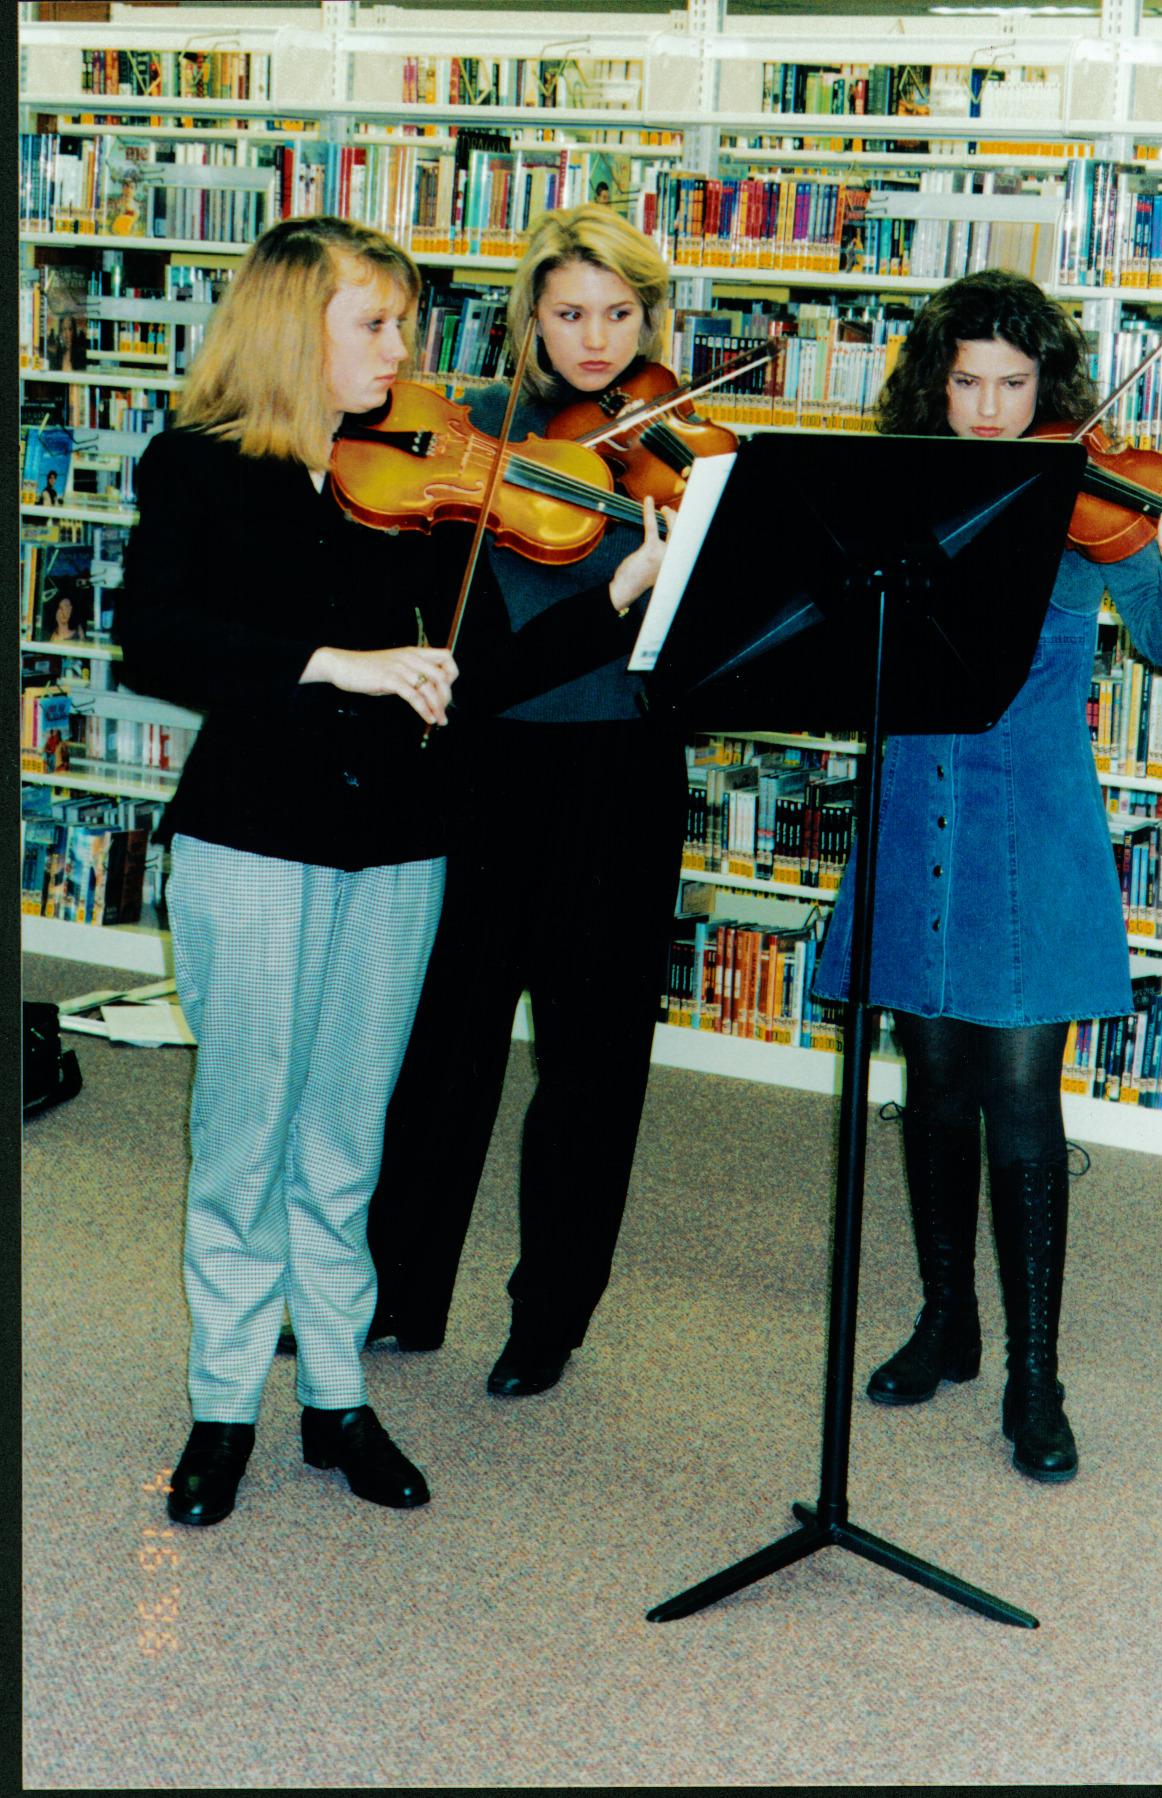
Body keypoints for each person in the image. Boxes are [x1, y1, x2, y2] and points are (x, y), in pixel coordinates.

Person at [118, 213, 667, 1530]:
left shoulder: (408, 485)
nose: (405, 350)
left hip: (401, 846)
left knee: (348, 1134)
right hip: (252, 840)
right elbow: (155, 640)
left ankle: (338, 1398)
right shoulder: (197, 467)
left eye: (404, 324)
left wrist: (616, 596)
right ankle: (222, 1404)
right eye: (378, 324)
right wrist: (333, 663)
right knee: (244, 1133)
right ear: (292, 329)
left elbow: (471, 681)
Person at [811, 269, 1162, 1484]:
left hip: (1030, 812)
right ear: (935, 388)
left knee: (1019, 1094)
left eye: (1013, 385)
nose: (988, 411)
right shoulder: (896, 492)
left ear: (1049, 389)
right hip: (914, 798)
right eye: (966, 384)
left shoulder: (1088, 503)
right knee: (928, 1076)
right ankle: (948, 1321)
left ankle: (1035, 1377)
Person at [362, 204, 686, 1399]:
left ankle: (549, 1312)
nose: (594, 342)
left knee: (592, 1062)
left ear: (650, 320)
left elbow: (707, 662)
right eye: (567, 314)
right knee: (442, 1045)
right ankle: (399, 1290)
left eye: (618, 315)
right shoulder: (468, 441)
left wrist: (682, 579)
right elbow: (488, 669)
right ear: (528, 318)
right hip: (487, 768)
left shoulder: (687, 457)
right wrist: (619, 594)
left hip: (624, 776)